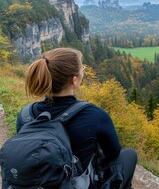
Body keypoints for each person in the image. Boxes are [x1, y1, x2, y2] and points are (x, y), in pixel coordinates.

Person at [16, 47, 137, 189]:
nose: (83, 72)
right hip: (78, 184)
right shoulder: (95, 115)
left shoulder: (25, 116)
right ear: (74, 80)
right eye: (82, 70)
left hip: (39, 182)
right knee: (129, 155)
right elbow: (113, 153)